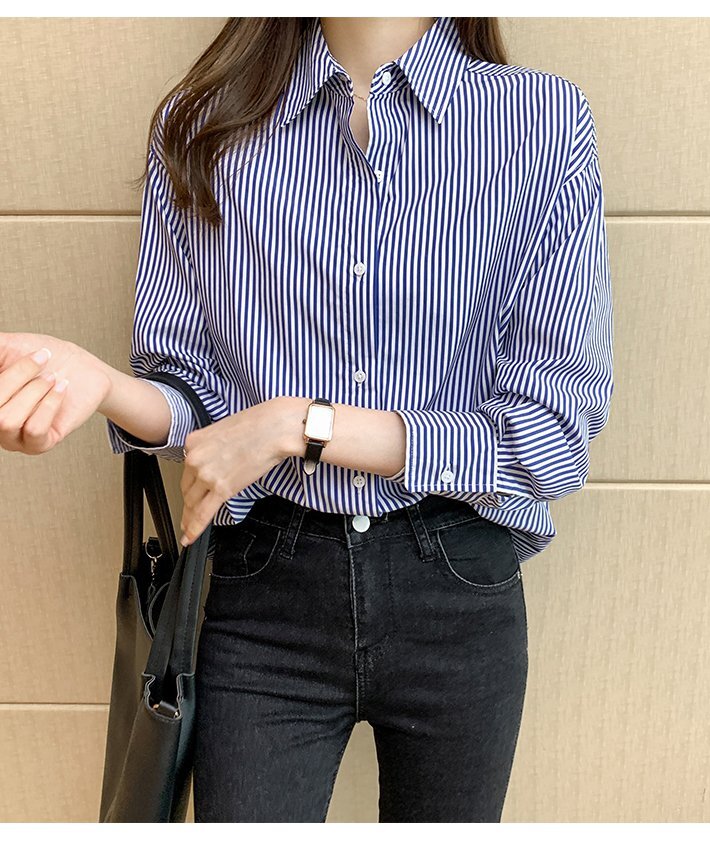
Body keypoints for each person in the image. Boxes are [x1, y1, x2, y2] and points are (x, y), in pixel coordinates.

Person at [0, 16, 613, 822]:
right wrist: (102, 386)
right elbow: (202, 413)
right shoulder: (201, 124)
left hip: (457, 586)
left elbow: (553, 435)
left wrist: (302, 425)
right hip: (266, 592)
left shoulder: (541, 122)